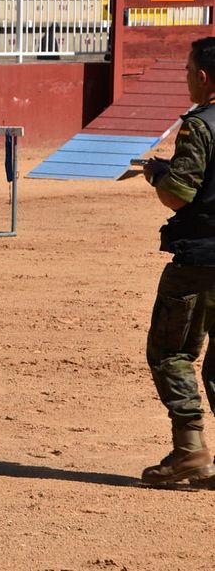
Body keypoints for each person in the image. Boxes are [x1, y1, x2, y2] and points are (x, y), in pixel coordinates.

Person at [139, 36, 215, 486]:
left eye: (188, 71)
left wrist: (158, 176)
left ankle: (190, 450)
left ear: (203, 77)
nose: (186, 78)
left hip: (201, 258)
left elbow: (179, 194)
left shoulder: (199, 126)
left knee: (171, 352)